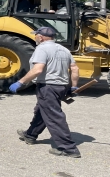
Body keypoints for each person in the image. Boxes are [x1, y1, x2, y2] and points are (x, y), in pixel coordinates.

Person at [8, 26, 81, 158]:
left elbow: (37, 70)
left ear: (40, 37)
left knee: (54, 116)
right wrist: (74, 86)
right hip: (62, 86)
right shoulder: (64, 50)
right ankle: (30, 135)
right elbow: (75, 69)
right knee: (42, 110)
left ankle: (68, 148)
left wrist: (21, 82)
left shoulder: (42, 48)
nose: (35, 37)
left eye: (36, 35)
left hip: (48, 87)